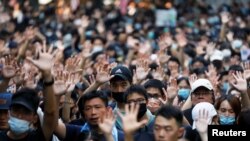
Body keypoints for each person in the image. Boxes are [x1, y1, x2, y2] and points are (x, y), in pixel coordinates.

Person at [0, 44, 57, 141]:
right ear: (9, 113)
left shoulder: (39, 138)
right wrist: (5, 81)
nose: (19, 116)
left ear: (35, 118)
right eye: (16, 110)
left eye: (25, 112)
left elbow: (50, 113)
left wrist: (47, 75)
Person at [54, 90, 124, 141]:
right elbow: (52, 124)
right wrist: (57, 96)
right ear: (83, 112)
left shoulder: (121, 136)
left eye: (97, 107)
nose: (93, 112)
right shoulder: (78, 132)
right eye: (88, 108)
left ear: (108, 110)